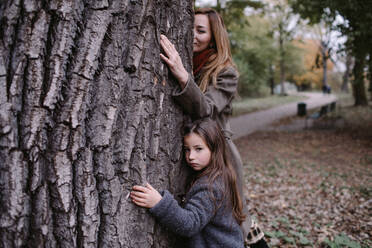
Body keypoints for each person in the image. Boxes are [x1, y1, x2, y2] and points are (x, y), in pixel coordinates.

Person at [159, 8, 268, 247]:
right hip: (190, 148)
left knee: (235, 217)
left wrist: (182, 76)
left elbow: (206, 110)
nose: (193, 35)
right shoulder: (189, 61)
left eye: (201, 30)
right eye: (191, 28)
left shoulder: (226, 73)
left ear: (214, 36)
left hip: (219, 155)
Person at [131, 119, 245, 248]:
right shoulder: (220, 174)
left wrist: (159, 203)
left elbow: (190, 224)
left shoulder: (211, 186)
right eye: (187, 149)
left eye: (198, 149)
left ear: (214, 149)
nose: (191, 156)